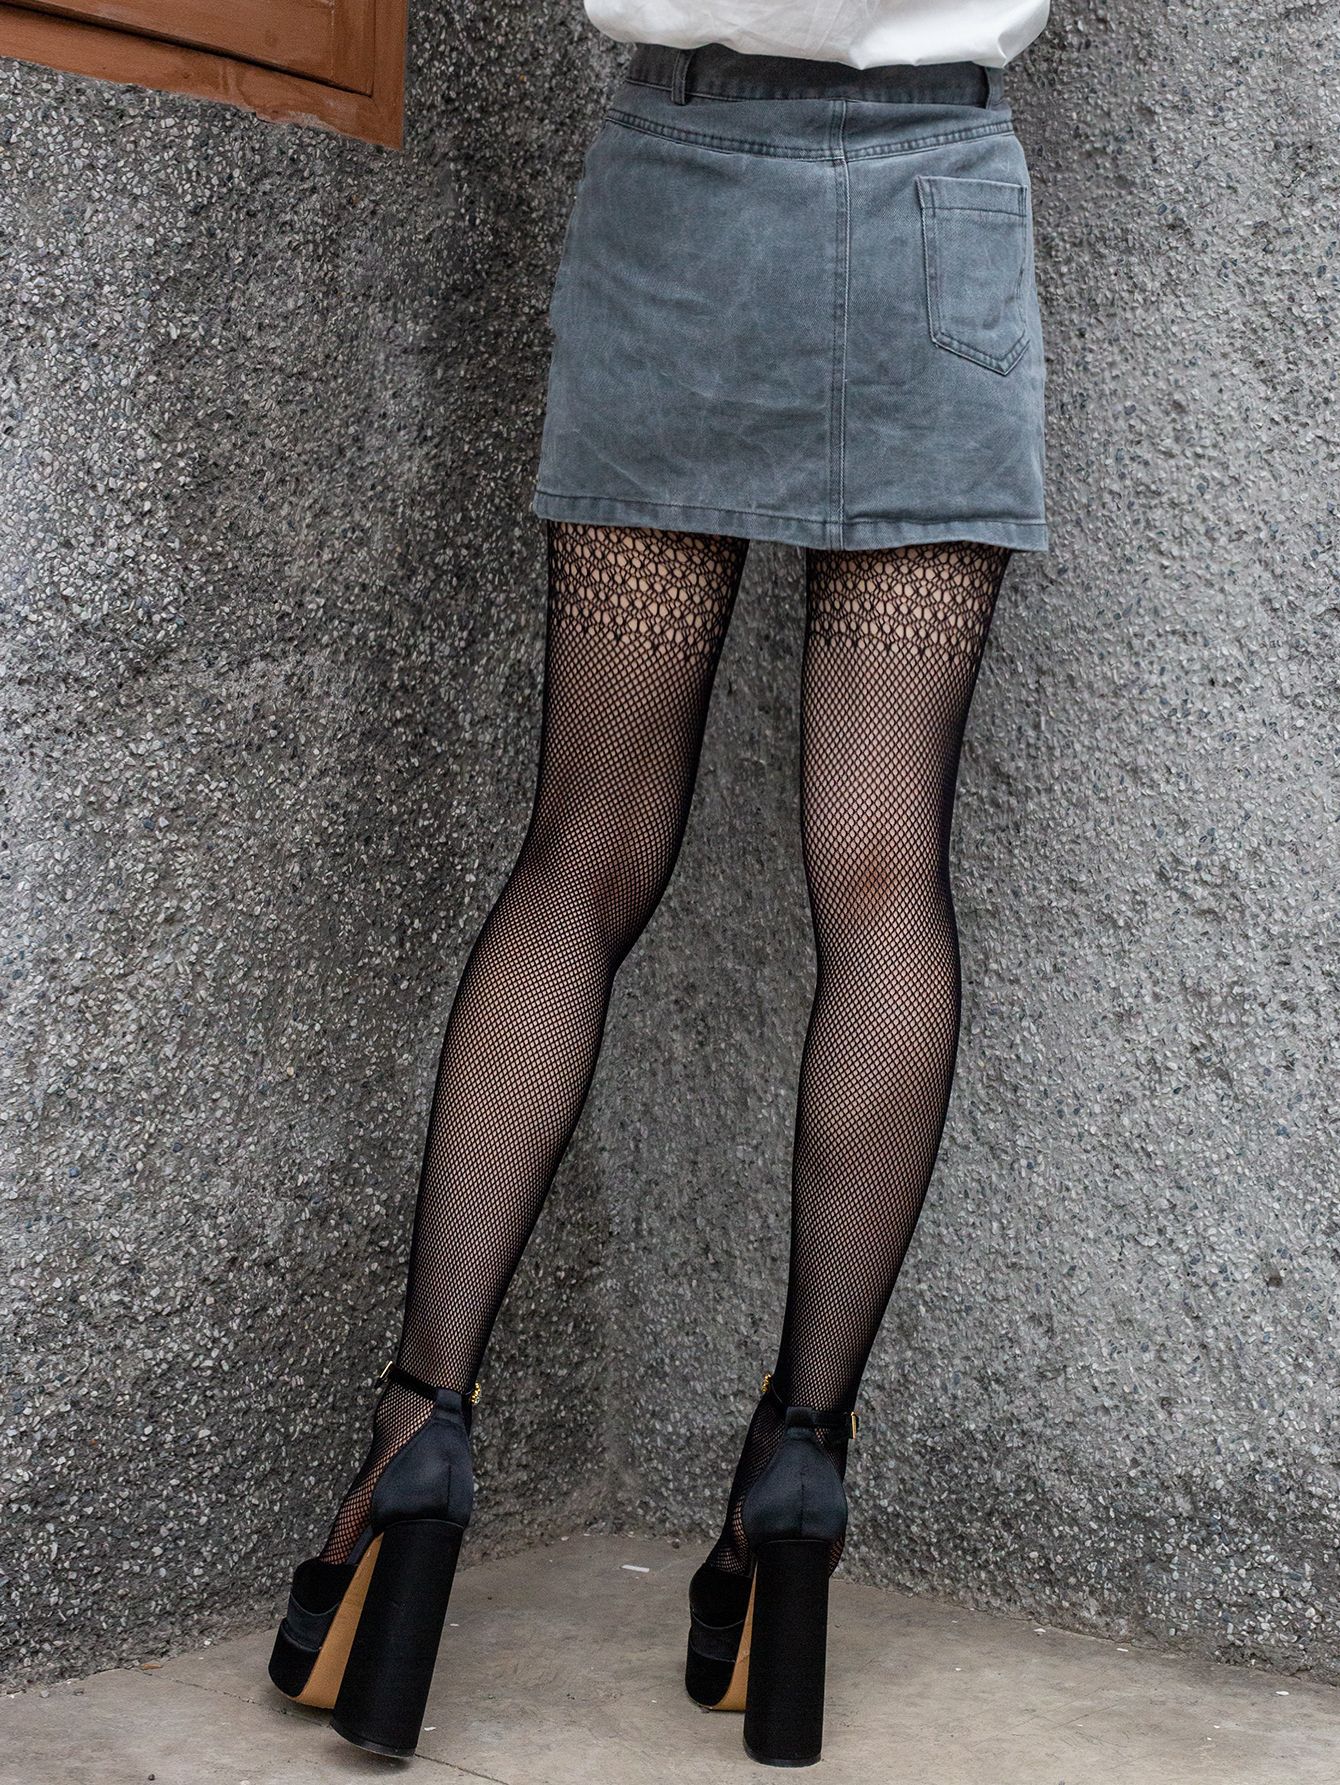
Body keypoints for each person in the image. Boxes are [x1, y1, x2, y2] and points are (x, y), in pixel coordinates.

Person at [268, 0, 1052, 1766]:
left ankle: (419, 1435)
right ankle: (798, 1472)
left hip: (684, 198)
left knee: (584, 856)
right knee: (883, 881)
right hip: (934, 204)